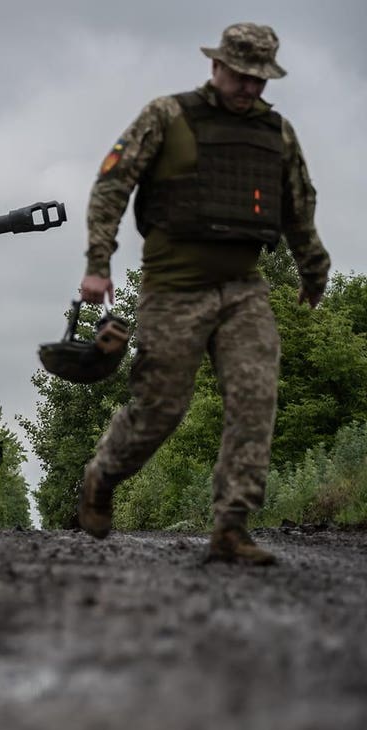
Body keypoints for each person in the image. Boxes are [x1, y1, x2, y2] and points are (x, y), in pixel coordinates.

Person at [77, 22, 330, 564]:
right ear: (217, 66)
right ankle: (104, 475)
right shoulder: (167, 116)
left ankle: (231, 527)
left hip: (243, 289)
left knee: (255, 399)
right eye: (241, 76)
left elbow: (298, 206)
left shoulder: (276, 133)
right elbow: (112, 185)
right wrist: (98, 263)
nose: (249, 88)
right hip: (174, 288)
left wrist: (314, 269)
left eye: (259, 80)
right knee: (162, 407)